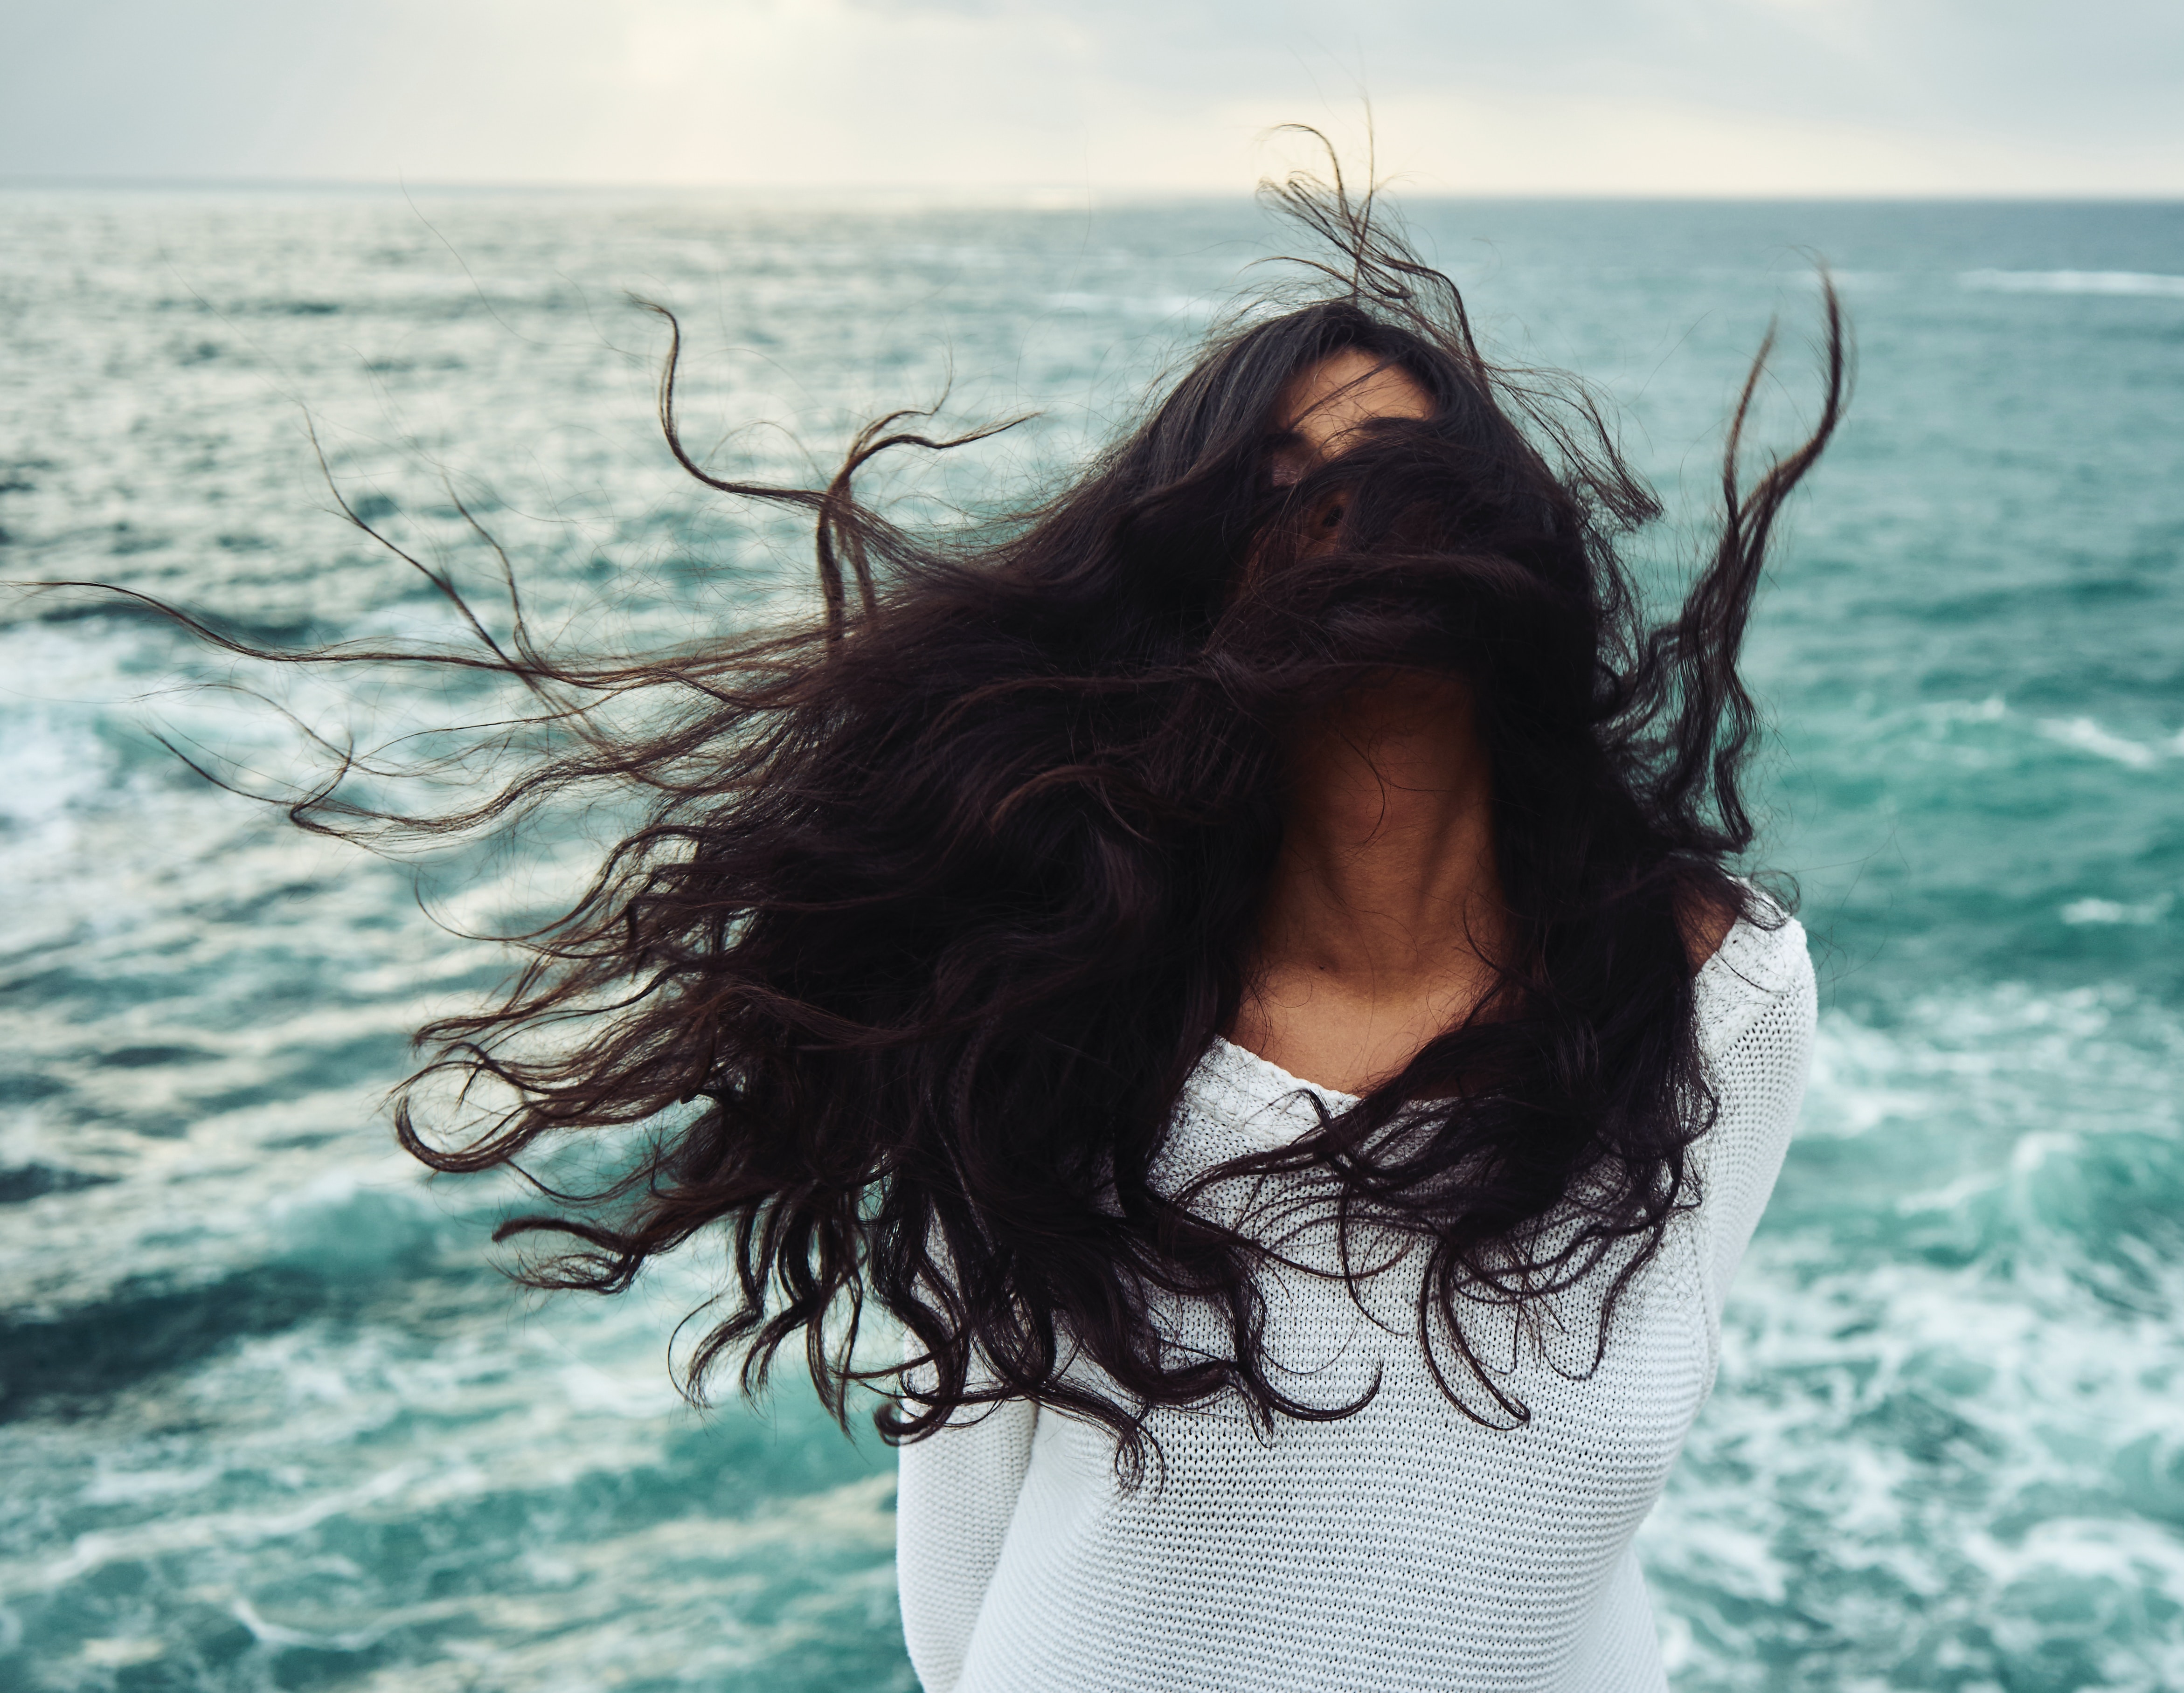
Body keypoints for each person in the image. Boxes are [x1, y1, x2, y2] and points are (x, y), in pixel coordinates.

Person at [78, 162, 1840, 1691]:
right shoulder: (1065, 1019)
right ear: (1196, 587)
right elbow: (965, 1577)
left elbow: (1574, 1488)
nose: (1343, 516)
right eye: (1280, 487)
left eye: (1399, 474)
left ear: (1513, 539)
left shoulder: (1720, 997)